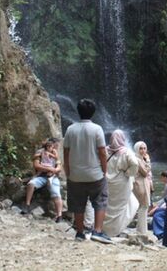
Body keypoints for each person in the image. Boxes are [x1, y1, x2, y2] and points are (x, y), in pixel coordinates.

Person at [63, 98, 111, 243]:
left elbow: (65, 152)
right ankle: (97, 231)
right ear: (93, 112)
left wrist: (68, 170)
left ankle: (79, 233)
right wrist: (104, 170)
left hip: (75, 175)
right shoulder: (97, 129)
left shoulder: (70, 129)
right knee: (100, 201)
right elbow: (102, 152)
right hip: (95, 174)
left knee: (78, 203)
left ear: (78, 112)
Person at [103, 130, 140, 237]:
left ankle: (105, 229)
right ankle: (116, 230)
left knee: (108, 206)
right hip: (122, 182)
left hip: (107, 182)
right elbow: (135, 164)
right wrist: (128, 173)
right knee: (121, 207)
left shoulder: (105, 150)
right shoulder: (126, 152)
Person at [23, 137, 63, 221]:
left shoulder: (55, 154)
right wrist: (49, 169)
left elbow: (59, 166)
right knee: (31, 184)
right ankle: (27, 205)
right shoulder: (40, 152)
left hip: (53, 177)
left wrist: (55, 170)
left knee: (56, 193)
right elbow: (36, 165)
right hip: (41, 175)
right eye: (56, 145)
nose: (57, 147)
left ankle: (59, 215)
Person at [133, 141, 152, 235]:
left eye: (144, 148)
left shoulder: (141, 159)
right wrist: (148, 161)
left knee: (143, 207)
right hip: (140, 185)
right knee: (143, 207)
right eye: (141, 148)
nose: (143, 150)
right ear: (136, 149)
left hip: (142, 184)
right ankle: (142, 231)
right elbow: (145, 172)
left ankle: (141, 229)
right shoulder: (138, 159)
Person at [149, 171, 167, 239]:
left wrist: (157, 206)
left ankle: (160, 232)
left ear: (165, 177)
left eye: (162, 177)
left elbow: (166, 199)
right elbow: (165, 199)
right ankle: (157, 230)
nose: (161, 179)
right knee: (156, 211)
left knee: (157, 214)